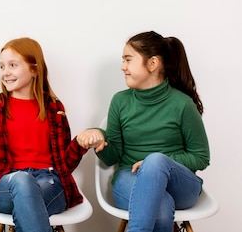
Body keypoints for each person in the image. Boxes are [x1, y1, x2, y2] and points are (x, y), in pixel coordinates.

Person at [0, 37, 88, 232]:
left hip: (49, 181)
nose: (6, 72)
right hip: (8, 184)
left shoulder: (54, 108)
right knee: (22, 180)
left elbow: (65, 164)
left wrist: (80, 144)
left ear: (34, 69)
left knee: (29, 203)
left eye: (13, 65)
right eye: (2, 66)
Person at [77, 31, 210, 232]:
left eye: (128, 60)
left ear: (152, 64)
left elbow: (201, 157)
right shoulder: (120, 101)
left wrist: (157, 164)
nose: (123, 67)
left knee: (155, 161)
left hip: (180, 187)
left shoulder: (183, 105)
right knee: (162, 207)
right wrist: (99, 141)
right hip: (129, 178)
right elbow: (113, 157)